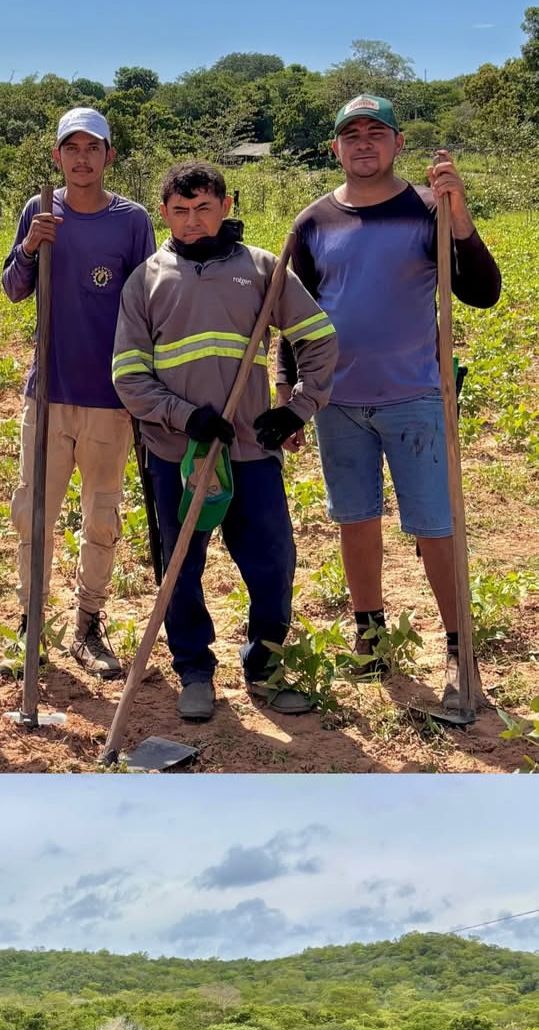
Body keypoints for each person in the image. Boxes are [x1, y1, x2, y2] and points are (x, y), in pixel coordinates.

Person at [278, 97, 501, 710]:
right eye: (352, 135)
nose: (364, 143)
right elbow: (295, 317)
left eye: (377, 133)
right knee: (355, 520)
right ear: (335, 149)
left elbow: (482, 292)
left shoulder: (429, 209)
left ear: (398, 143)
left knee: (435, 526)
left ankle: (460, 651)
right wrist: (288, 395)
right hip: (336, 401)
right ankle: (370, 636)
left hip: (415, 396)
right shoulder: (313, 222)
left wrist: (461, 222)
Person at [113, 160, 338, 722]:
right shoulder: (146, 279)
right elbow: (129, 374)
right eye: (181, 211)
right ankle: (193, 669)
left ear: (226, 206)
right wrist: (183, 417)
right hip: (176, 453)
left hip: (250, 450)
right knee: (179, 565)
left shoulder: (263, 269)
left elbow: (318, 339)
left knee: (272, 560)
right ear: (164, 212)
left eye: (204, 208)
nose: (192, 221)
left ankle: (265, 666)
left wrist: (297, 409)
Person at [1, 107, 156, 680]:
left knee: (102, 515)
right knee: (31, 514)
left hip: (110, 396)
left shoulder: (132, 220)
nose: (83, 158)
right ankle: (31, 622)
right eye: (73, 148)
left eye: (94, 148)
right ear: (57, 157)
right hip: (48, 395)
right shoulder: (38, 212)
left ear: (109, 156)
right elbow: (15, 289)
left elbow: (148, 301)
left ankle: (87, 621)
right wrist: (29, 247)